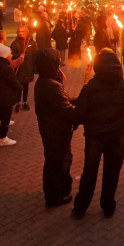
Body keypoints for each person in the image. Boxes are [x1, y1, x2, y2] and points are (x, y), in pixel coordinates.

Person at [71, 49, 124, 218]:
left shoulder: (91, 87)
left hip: (95, 136)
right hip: (117, 134)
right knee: (112, 171)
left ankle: (80, 208)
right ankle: (108, 205)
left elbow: (79, 115)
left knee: (90, 171)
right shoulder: (122, 84)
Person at [34, 48, 77, 208]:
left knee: (57, 160)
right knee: (57, 162)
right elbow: (65, 110)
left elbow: (62, 101)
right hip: (56, 132)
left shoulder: (47, 81)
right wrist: (79, 112)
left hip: (52, 129)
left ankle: (57, 191)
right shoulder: (50, 85)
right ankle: (54, 196)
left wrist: (77, 99)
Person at [0, 45, 22, 146]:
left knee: (3, 114)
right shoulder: (5, 67)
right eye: (9, 54)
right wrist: (19, 88)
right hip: (6, 96)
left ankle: (2, 133)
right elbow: (13, 82)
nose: (11, 55)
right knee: (6, 116)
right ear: (4, 55)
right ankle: (3, 138)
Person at [11, 26, 37, 112]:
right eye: (19, 31)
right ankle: (18, 102)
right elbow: (11, 55)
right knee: (19, 86)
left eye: (22, 31)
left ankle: (24, 102)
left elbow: (35, 55)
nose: (21, 33)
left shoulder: (32, 43)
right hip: (19, 68)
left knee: (26, 86)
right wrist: (19, 55)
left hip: (28, 68)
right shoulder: (15, 43)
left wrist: (35, 67)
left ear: (26, 32)